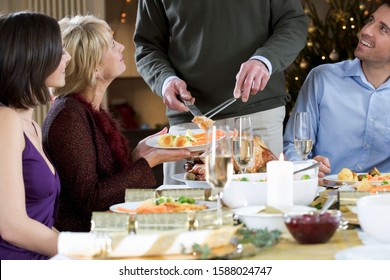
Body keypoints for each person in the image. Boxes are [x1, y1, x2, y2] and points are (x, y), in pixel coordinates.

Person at [42, 15, 196, 232]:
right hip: (91, 240)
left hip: (111, 228)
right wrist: (148, 161)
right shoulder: (68, 117)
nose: (122, 47)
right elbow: (91, 200)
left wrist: (137, 156)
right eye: (112, 44)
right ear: (94, 66)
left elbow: (104, 182)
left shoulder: (86, 110)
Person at [133, 0, 308, 184]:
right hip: (189, 126)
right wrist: (165, 80)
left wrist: (265, 60)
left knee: (264, 206)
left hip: (257, 116)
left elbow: (293, 22)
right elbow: (147, 45)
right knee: (184, 208)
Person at [283, 0, 390, 179]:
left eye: (383, 29)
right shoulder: (322, 79)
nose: (365, 31)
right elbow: (293, 145)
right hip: (326, 195)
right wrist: (306, 167)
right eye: (370, 21)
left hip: (381, 200)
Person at [0, 12, 71, 260]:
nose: (67, 57)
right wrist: (86, 251)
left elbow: (36, 218)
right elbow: (12, 226)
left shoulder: (30, 125)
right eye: (60, 50)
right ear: (35, 55)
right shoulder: (4, 119)